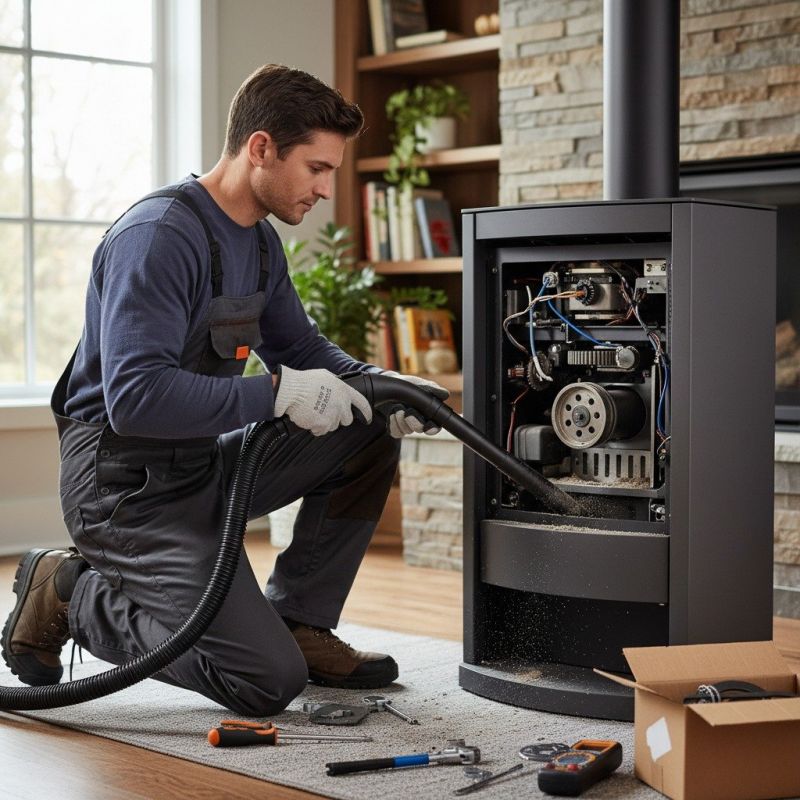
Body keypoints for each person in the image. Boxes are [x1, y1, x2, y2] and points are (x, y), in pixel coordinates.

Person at [1, 64, 447, 715]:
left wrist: (388, 388)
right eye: (317, 168)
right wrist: (275, 394)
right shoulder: (157, 240)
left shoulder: (261, 244)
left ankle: (301, 621)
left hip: (203, 465)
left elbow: (300, 350)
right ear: (261, 148)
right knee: (265, 681)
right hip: (124, 489)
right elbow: (136, 398)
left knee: (366, 423)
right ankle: (72, 591)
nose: (327, 188)